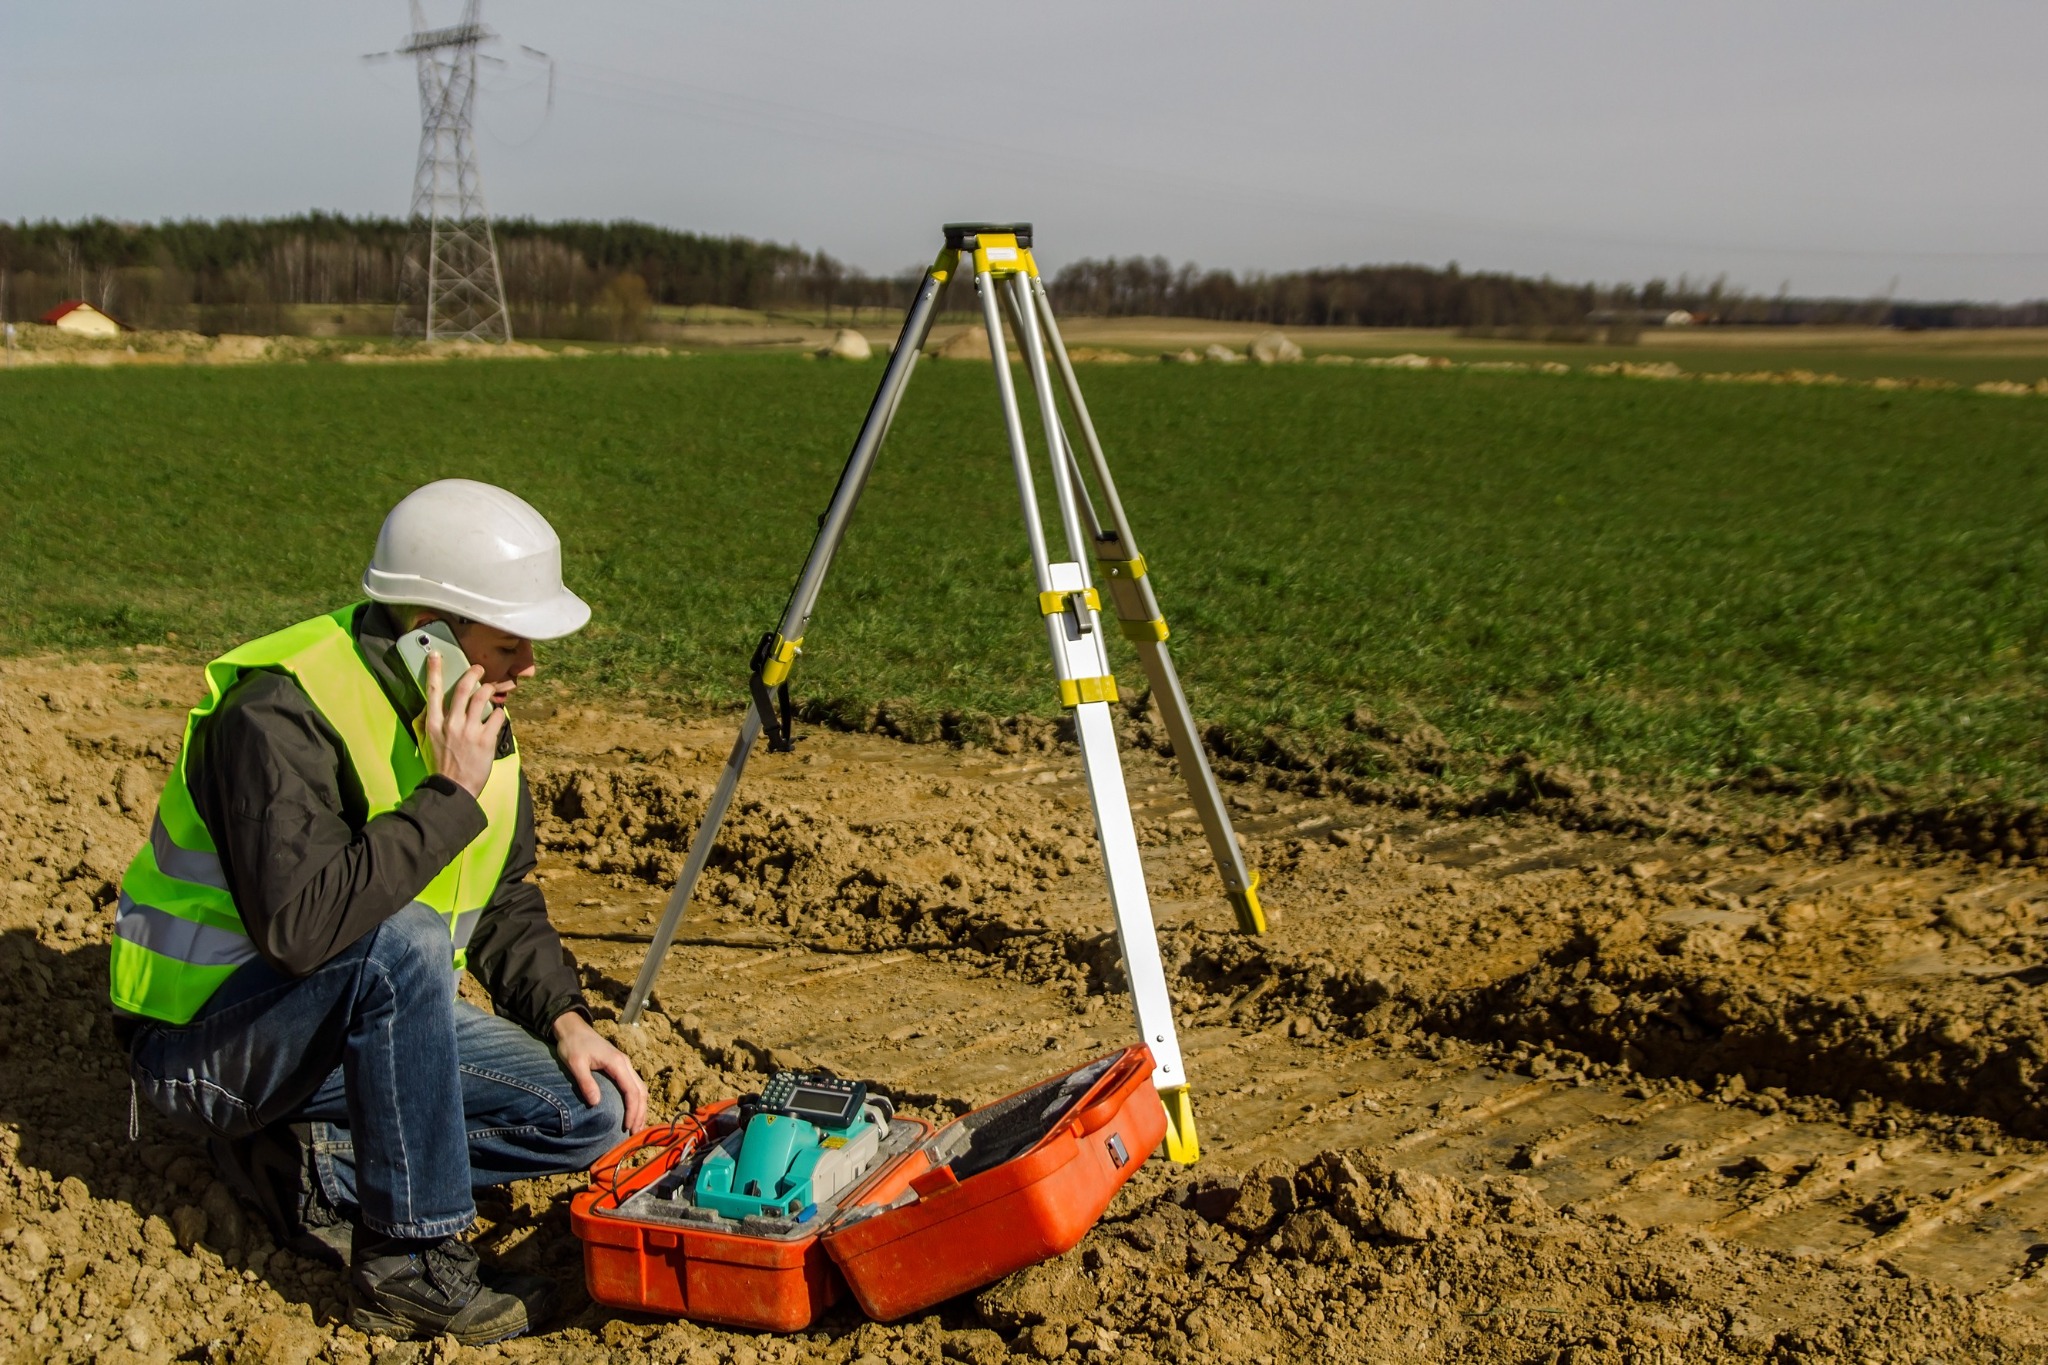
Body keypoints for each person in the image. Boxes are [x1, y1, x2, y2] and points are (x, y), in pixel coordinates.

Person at [113, 479, 648, 1344]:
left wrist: (567, 1016)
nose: (531, 668)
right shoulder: (274, 714)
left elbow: (501, 890)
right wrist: (446, 793)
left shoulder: (470, 713)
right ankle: (411, 1267)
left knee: (588, 1110)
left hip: (354, 1025)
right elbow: (305, 932)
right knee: (400, 938)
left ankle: (318, 1167)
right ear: (429, 634)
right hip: (208, 1044)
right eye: (511, 644)